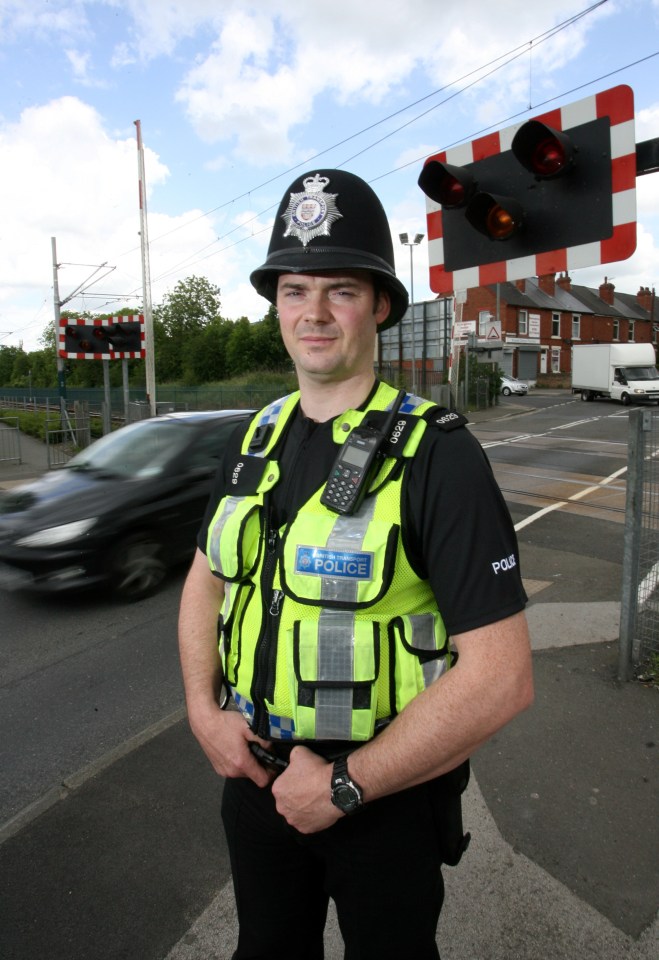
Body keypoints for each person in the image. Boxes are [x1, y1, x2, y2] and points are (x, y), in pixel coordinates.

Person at [178, 169, 534, 960]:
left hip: (382, 799)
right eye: (294, 289)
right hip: (253, 778)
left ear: (378, 305)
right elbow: (205, 578)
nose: (312, 312)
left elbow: (501, 676)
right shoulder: (252, 438)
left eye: (339, 291)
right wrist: (204, 714)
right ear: (275, 302)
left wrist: (344, 786)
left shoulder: (440, 456)